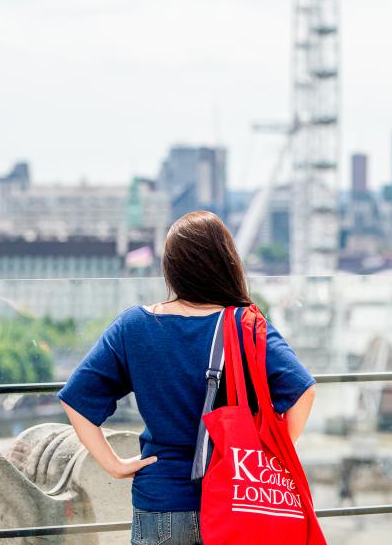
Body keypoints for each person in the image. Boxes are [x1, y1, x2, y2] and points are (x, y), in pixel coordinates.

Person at [58, 211, 317, 545]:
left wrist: (114, 464)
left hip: (161, 499)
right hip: (237, 500)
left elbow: (76, 399)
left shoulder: (134, 326)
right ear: (227, 262)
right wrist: (266, 458)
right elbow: (302, 391)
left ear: (171, 269)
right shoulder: (244, 324)